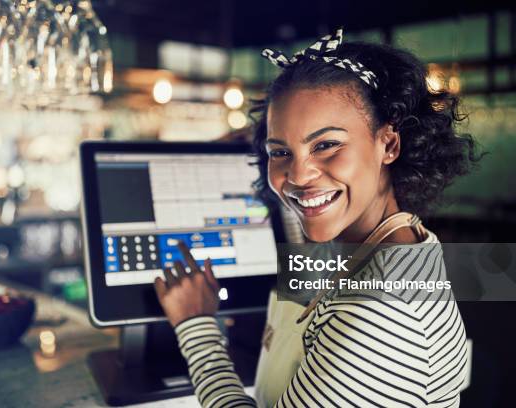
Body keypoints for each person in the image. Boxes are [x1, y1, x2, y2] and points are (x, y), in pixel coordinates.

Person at [154, 29, 479, 407]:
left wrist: (196, 327)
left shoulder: (379, 315)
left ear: (389, 143)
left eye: (326, 145)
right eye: (280, 152)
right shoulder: (394, 244)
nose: (298, 175)